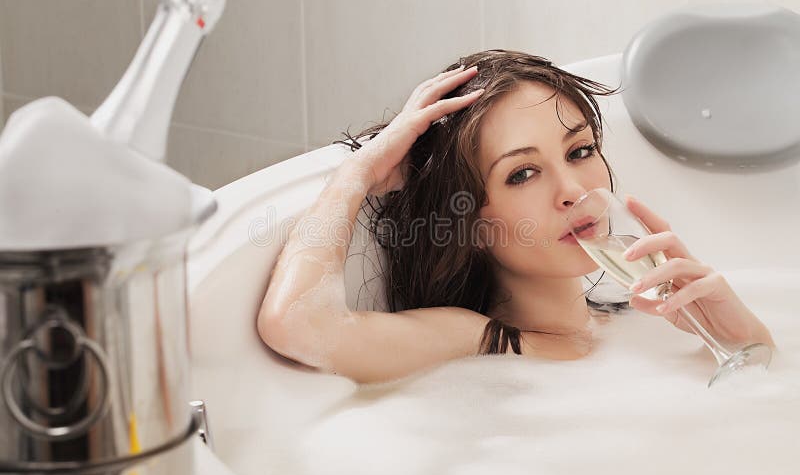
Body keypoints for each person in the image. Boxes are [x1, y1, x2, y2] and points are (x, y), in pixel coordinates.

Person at [256, 49, 776, 384]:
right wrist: (359, 173)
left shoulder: (638, 323)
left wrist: (734, 333)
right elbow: (298, 325)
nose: (574, 191)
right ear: (473, 224)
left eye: (579, 151)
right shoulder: (475, 343)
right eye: (522, 174)